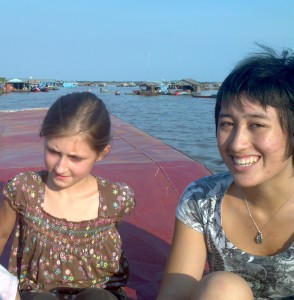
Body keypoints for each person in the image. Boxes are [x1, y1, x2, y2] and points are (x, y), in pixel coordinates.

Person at [157, 45, 294, 299]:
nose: (236, 143)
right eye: (227, 123)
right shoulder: (201, 200)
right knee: (222, 287)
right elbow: (175, 294)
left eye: (257, 125)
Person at [0, 92, 135, 300]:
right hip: (37, 292)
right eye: (53, 151)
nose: (61, 167)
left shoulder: (115, 199)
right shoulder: (24, 190)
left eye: (75, 157)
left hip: (100, 291)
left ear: (102, 153)